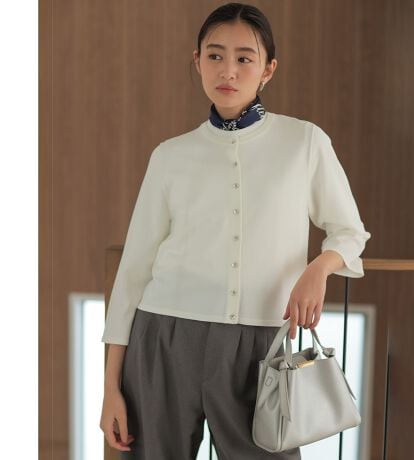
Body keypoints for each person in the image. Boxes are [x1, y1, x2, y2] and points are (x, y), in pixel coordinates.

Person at [99, 2, 371, 459]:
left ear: (268, 69)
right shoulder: (170, 155)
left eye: (245, 58)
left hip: (260, 344)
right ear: (197, 61)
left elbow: (349, 231)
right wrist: (110, 388)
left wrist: (319, 269)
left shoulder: (304, 142)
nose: (228, 70)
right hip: (165, 337)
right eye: (215, 55)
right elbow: (133, 272)